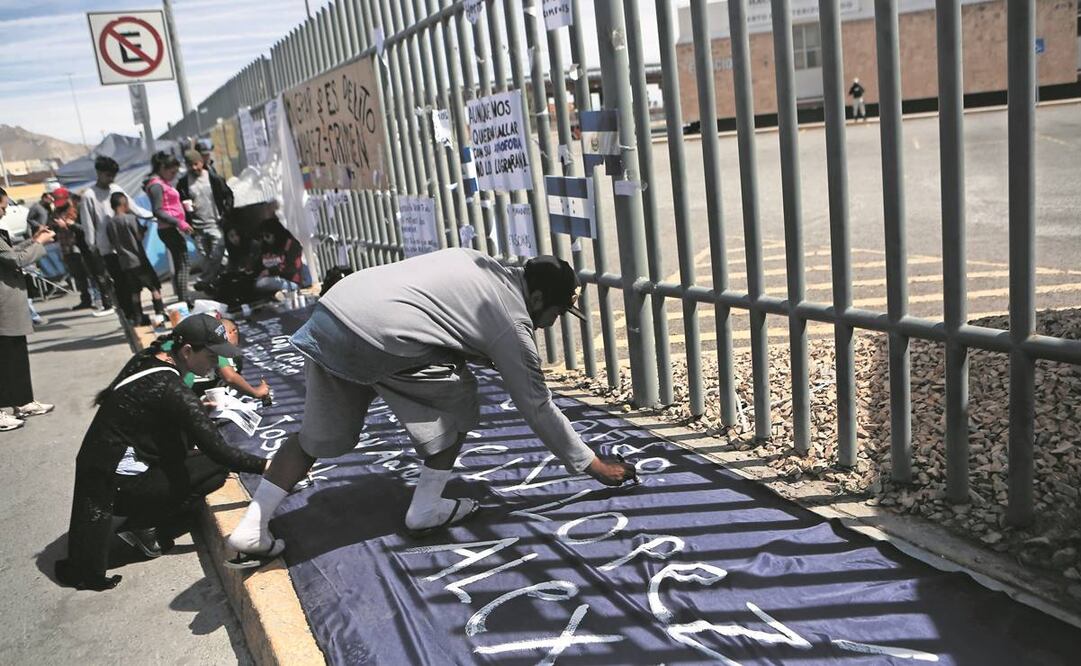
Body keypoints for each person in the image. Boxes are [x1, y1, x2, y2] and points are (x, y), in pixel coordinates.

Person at [226, 249, 636, 567]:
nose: (552, 322)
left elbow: (442, 315)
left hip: (334, 314)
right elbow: (537, 405)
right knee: (460, 399)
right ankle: (424, 509)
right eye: (556, 312)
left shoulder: (474, 260)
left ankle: (252, 528)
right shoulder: (512, 322)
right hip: (382, 335)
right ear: (538, 296)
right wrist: (591, 465)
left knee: (316, 438)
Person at [55, 314, 268, 591]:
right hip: (118, 488)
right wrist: (269, 466)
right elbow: (221, 453)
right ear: (187, 351)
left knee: (195, 459)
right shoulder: (171, 387)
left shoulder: (148, 358)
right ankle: (145, 524)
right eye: (213, 356)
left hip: (102, 473)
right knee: (214, 469)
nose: (217, 363)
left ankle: (143, 516)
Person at [0, 186, 56, 432]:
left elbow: (10, 253)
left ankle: (23, 402)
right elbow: (16, 260)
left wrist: (33, 240)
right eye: (2, 206)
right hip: (3, 305)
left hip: (10, 304)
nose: (4, 211)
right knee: (5, 359)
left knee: (17, 356)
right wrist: (39, 244)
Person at [79, 156, 153, 322]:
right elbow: (88, 225)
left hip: (125, 245)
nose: (111, 179)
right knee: (120, 283)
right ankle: (129, 315)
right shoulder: (89, 196)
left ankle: (137, 314)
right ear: (98, 173)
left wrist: (153, 215)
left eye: (113, 176)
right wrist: (93, 248)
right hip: (107, 249)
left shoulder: (115, 189)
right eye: (108, 175)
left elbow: (134, 208)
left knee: (133, 282)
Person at [106, 192, 165, 327]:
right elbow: (138, 236)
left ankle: (138, 318)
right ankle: (160, 314)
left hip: (125, 263)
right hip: (139, 260)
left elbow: (112, 242)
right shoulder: (130, 219)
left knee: (134, 291)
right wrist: (143, 230)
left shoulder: (110, 224)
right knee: (154, 287)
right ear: (123, 204)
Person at [177, 149, 233, 288]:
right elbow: (180, 202)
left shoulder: (213, 178)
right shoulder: (183, 183)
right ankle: (218, 286)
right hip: (196, 228)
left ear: (201, 162)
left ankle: (205, 280)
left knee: (218, 253)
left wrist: (225, 214)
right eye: (191, 165)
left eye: (196, 164)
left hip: (214, 223)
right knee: (206, 259)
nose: (194, 168)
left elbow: (228, 196)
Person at [146, 151, 193, 305]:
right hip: (169, 229)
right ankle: (184, 300)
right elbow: (158, 211)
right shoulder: (156, 186)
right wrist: (178, 222)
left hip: (171, 228)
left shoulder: (162, 183)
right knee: (183, 263)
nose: (174, 175)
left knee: (182, 263)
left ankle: (184, 299)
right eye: (172, 172)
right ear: (162, 168)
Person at [252, 217, 303, 298]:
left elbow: (292, 267)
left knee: (263, 283)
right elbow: (259, 265)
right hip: (269, 281)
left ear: (276, 233)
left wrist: (270, 272)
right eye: (262, 236)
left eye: (267, 236)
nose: (265, 239)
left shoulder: (290, 245)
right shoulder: (265, 247)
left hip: (290, 282)